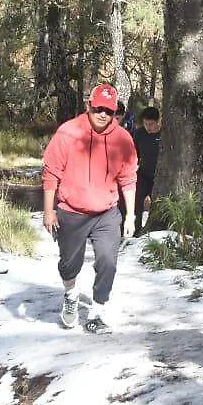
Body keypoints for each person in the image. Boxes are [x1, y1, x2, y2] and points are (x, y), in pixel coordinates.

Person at [42, 83, 138, 335]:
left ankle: (98, 310)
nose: (103, 114)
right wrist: (48, 211)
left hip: (106, 212)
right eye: (98, 108)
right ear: (89, 106)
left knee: (108, 260)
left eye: (109, 110)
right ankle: (71, 295)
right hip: (72, 211)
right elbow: (51, 172)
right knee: (68, 264)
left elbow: (128, 178)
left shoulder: (123, 139)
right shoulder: (68, 132)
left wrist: (130, 215)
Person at [132, 107, 161, 236]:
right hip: (144, 173)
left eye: (151, 124)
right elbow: (134, 154)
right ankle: (137, 228)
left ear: (158, 122)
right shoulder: (139, 134)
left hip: (160, 175)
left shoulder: (164, 135)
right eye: (145, 124)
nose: (148, 127)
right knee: (138, 201)